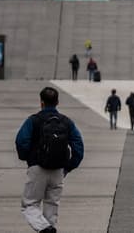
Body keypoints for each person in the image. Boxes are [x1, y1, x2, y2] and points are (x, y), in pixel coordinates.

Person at [15, 87, 84, 233]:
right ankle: (48, 228)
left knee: (29, 205)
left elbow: (22, 142)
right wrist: (68, 167)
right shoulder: (66, 122)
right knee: (52, 206)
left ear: (41, 102)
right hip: (58, 169)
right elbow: (78, 146)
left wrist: (28, 158)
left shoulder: (33, 120)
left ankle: (45, 228)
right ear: (57, 102)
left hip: (37, 168)